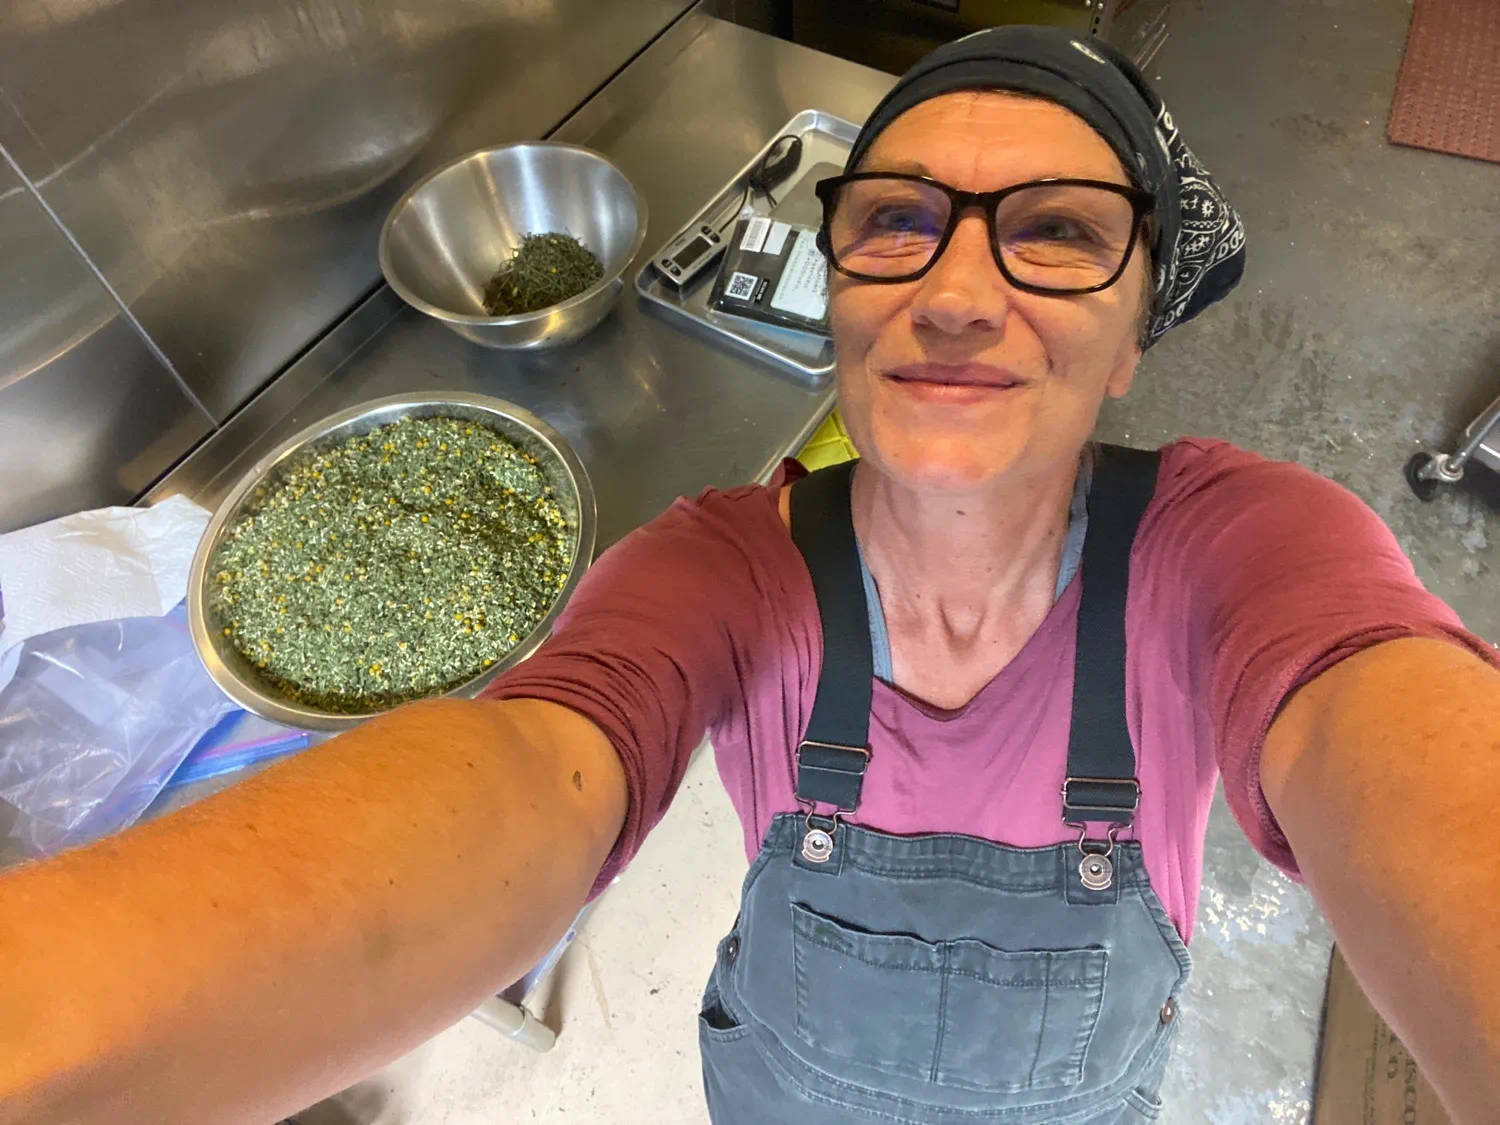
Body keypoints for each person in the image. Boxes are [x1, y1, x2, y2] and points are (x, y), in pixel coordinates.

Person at [3, 25, 1499, 1125]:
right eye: (897, 222)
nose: (960, 291)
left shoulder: (1244, 551)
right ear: (841, 297)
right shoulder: (729, 568)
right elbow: (533, 768)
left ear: (1132, 340)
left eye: (1055, 235)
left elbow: (1395, 738)